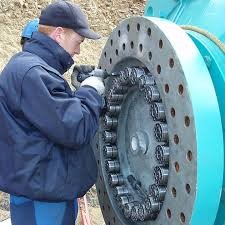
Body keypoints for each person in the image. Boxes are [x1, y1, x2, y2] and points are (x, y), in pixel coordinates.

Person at [0, 1, 105, 225]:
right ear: (59, 33)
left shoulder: (31, 68)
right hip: (43, 195)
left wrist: (79, 92)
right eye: (78, 41)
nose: (78, 49)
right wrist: (91, 91)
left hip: (42, 187)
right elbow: (75, 128)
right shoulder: (33, 73)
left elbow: (52, 119)